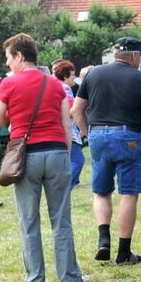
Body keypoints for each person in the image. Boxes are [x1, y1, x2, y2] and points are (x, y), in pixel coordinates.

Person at [0, 33, 83, 282]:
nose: (7, 64)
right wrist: (63, 153)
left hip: (26, 156)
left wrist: (16, 110)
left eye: (8, 58)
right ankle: (70, 277)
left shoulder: (8, 85)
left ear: (19, 56)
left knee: (29, 220)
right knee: (61, 218)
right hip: (56, 153)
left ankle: (35, 280)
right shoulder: (55, 84)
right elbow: (67, 124)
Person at [72, 37, 141, 265]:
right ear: (133, 56)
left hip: (98, 135)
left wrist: (86, 135)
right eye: (139, 56)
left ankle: (104, 240)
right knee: (128, 193)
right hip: (128, 136)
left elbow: (76, 110)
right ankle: (124, 253)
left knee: (101, 192)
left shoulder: (92, 74)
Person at [52, 60, 85, 189]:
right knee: (78, 160)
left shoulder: (53, 85)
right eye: (73, 75)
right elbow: (71, 110)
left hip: (55, 128)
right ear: (65, 76)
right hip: (68, 129)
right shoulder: (65, 88)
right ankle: (65, 188)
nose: (74, 78)